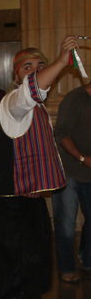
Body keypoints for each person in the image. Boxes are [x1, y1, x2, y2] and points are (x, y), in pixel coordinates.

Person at [0, 36, 78, 299]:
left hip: (26, 200)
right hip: (10, 205)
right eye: (29, 67)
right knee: (18, 273)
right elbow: (33, 90)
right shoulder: (14, 102)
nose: (37, 70)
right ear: (16, 76)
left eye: (41, 65)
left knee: (32, 272)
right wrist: (62, 60)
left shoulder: (34, 110)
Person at [52, 81, 91, 283]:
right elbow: (61, 133)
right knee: (66, 223)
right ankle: (66, 268)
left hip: (89, 172)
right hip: (68, 170)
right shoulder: (75, 99)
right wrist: (82, 158)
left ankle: (87, 261)